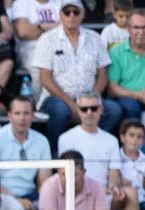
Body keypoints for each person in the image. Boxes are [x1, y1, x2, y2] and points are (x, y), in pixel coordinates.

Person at [34, 0, 117, 154]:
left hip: (89, 96)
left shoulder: (95, 38)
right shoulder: (47, 39)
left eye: (76, 11)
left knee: (114, 110)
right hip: (57, 98)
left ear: (83, 14)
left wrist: (92, 98)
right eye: (67, 12)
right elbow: (45, 78)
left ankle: (94, 148)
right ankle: (56, 154)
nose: (71, 15)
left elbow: (102, 74)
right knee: (60, 111)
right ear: (60, 15)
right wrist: (71, 104)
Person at [57, 92, 138, 210]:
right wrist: (97, 190)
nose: (89, 113)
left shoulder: (111, 140)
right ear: (78, 111)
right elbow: (67, 176)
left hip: (105, 195)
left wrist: (113, 189)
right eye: (84, 109)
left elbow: (114, 172)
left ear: (101, 109)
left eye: (93, 108)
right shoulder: (66, 139)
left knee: (131, 193)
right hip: (77, 194)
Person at [0, 95, 51, 210]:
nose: (22, 118)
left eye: (26, 113)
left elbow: (44, 183)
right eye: (17, 113)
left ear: (33, 116)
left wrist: (40, 203)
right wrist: (14, 202)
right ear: (9, 116)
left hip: (31, 197)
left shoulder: (42, 141)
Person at [36, 151, 113, 210]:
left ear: (83, 172)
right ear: (58, 171)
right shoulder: (49, 186)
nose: (68, 179)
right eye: (64, 174)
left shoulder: (96, 187)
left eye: (73, 175)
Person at [107, 10, 145, 128]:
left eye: (144, 27)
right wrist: (138, 95)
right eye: (136, 28)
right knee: (131, 107)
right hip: (127, 98)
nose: (141, 32)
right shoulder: (116, 52)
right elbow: (113, 88)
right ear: (128, 29)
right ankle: (131, 145)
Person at [9, 0, 59, 82]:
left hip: (59, 47)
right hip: (31, 49)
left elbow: (69, 29)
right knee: (41, 70)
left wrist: (41, 27)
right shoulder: (21, 3)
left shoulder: (60, 2)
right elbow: (23, 32)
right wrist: (49, 28)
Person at [117, 118, 145, 210]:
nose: (135, 140)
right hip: (123, 202)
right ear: (122, 137)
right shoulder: (115, 159)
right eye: (131, 135)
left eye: (139, 137)